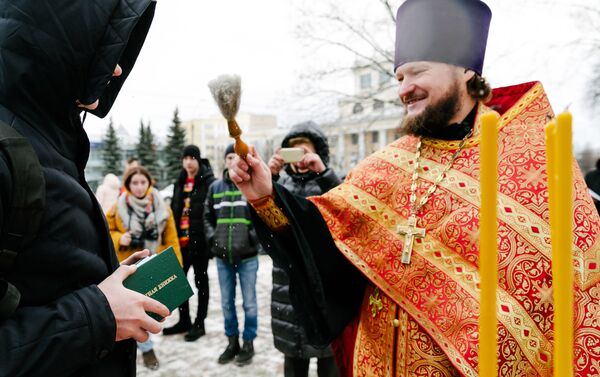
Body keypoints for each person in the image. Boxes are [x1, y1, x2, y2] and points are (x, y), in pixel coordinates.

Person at [229, 0, 600, 375]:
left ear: (467, 70)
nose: (405, 89)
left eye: (416, 73)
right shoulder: (389, 162)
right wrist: (266, 195)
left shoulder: (533, 157)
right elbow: (326, 239)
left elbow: (579, 287)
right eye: (400, 78)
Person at [0, 1, 171, 376]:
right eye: (104, 49)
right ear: (60, 46)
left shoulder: (51, 140)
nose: (116, 69)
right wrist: (98, 314)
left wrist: (101, 276)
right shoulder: (9, 148)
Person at [267, 123, 341, 377]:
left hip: (325, 282)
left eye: (305, 152)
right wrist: (270, 179)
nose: (299, 158)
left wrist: (322, 172)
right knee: (294, 360)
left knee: (329, 361)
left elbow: (345, 213)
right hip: (287, 283)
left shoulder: (330, 179)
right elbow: (263, 227)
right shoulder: (279, 183)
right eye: (293, 152)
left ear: (318, 153)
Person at [106, 166, 183, 370]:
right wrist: (119, 238)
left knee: (150, 312)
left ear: (149, 183)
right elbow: (106, 231)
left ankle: (140, 346)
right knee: (133, 313)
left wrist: (175, 267)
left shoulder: (161, 208)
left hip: (154, 269)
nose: (139, 187)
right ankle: (146, 349)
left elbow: (171, 240)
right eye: (134, 183)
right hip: (130, 270)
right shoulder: (117, 207)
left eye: (143, 182)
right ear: (128, 185)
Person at [204, 143, 260, 366]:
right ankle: (232, 342)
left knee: (250, 303)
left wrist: (251, 239)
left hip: (247, 258)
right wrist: (212, 240)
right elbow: (207, 217)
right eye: (229, 157)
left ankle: (248, 343)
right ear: (225, 161)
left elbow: (260, 217)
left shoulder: (251, 185)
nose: (232, 161)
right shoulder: (215, 188)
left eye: (236, 157)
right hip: (222, 258)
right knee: (227, 303)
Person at [163, 145, 216, 341]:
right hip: (181, 244)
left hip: (200, 244)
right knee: (178, 284)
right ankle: (184, 320)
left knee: (202, 284)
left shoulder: (208, 182)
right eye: (185, 158)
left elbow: (212, 214)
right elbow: (173, 212)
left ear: (199, 160)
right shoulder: (179, 181)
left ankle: (199, 323)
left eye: (192, 158)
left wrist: (210, 242)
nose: (188, 162)